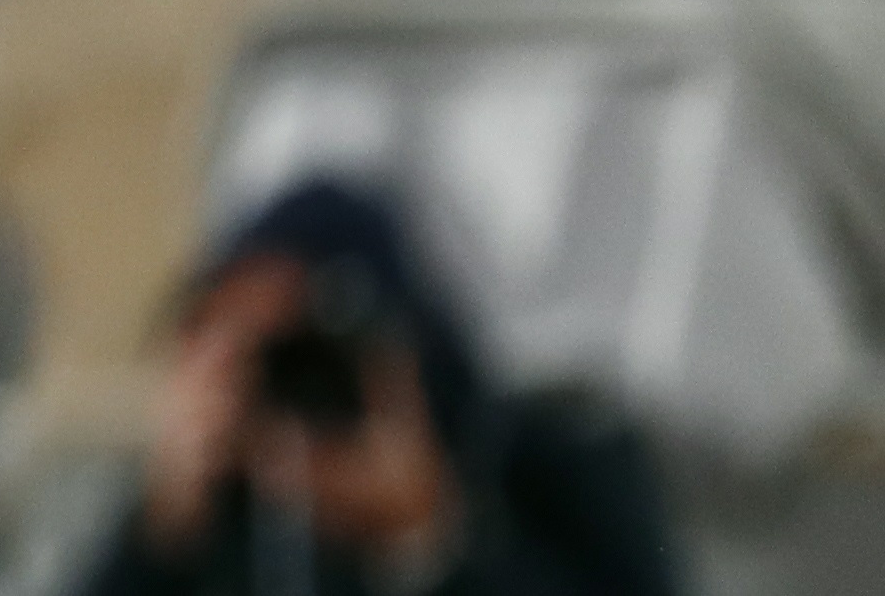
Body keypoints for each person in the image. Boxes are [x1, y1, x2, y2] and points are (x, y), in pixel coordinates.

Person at [72, 179, 685, 596]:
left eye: (307, 349)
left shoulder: (549, 460)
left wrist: (426, 546)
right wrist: (162, 536)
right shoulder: (217, 516)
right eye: (257, 355)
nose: (296, 385)